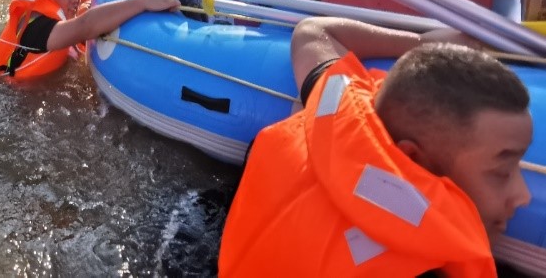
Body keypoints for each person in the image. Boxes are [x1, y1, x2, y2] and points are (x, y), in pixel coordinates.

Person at [219, 17, 533, 277]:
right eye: (501, 172)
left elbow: (313, 32)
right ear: (413, 158)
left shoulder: (337, 107)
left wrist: (423, 45)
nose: (524, 195)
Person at [0, 0, 179, 79]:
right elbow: (85, 26)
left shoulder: (47, 11)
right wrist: (143, 3)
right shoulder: (39, 28)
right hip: (6, 91)